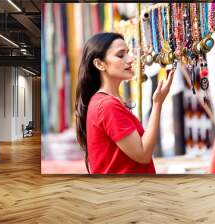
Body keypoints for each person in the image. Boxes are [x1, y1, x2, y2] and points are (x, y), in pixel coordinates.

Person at [75, 32, 175, 174]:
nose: (130, 59)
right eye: (120, 55)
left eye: (128, 53)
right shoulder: (107, 106)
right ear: (99, 64)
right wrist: (157, 104)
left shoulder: (104, 102)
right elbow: (143, 154)